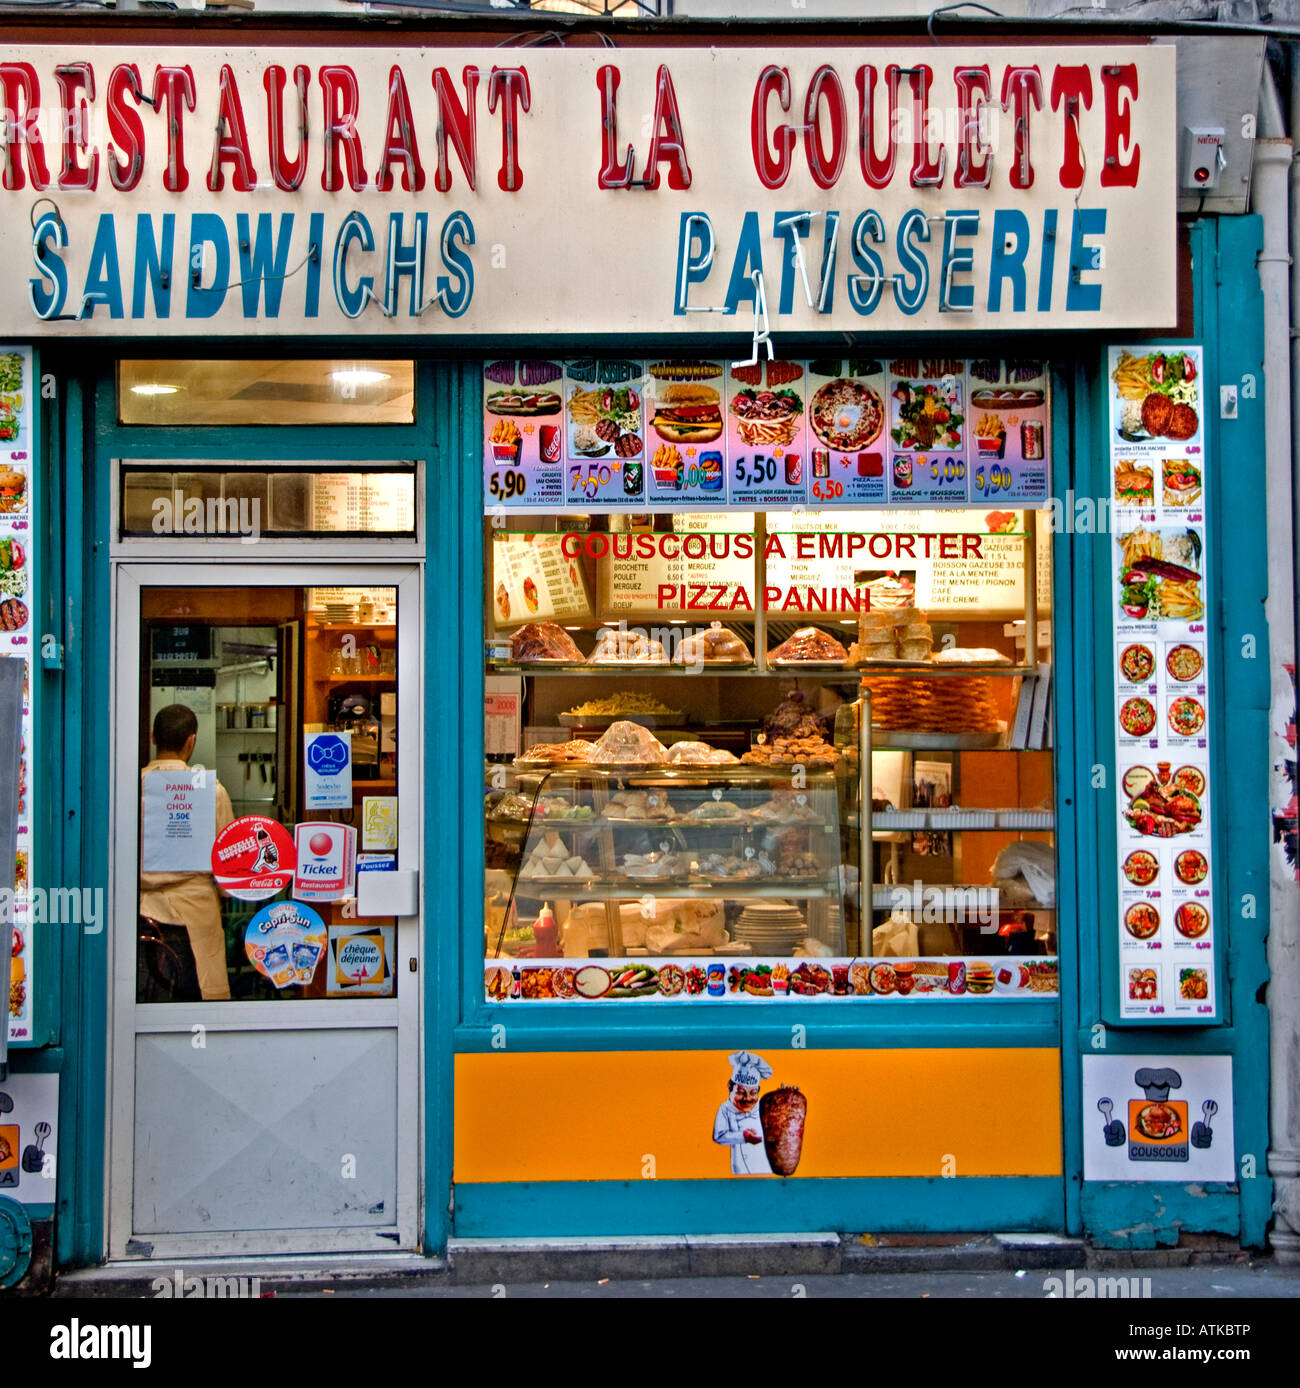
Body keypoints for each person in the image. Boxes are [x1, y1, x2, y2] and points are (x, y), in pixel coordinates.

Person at [139, 704, 234, 1001]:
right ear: (191, 741)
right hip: (197, 914)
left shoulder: (132, 787)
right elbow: (228, 866)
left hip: (141, 911)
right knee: (199, 1000)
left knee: (147, 999)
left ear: (154, 737)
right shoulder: (211, 791)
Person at [712, 1050, 773, 1175]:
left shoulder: (764, 1106)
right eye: (740, 1092)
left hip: (766, 1166)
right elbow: (718, 1136)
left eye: (753, 1093)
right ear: (729, 1087)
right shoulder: (725, 1109)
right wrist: (743, 1137)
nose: (747, 1099)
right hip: (740, 1169)